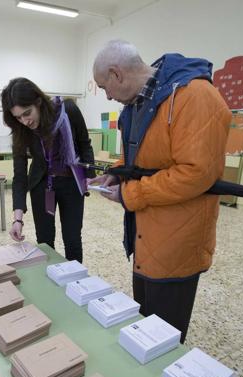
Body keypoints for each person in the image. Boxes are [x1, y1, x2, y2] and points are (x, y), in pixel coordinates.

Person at [89, 40, 231, 343]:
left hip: (178, 240)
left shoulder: (194, 96)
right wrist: (118, 171)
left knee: (165, 336)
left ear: (117, 74)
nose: (107, 95)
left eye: (104, 87)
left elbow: (195, 173)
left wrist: (132, 195)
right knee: (146, 329)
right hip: (146, 234)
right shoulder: (139, 103)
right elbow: (139, 156)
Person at [1, 78, 95, 263]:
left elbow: (84, 145)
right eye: (18, 117)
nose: (25, 121)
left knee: (73, 240)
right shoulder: (21, 131)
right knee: (44, 242)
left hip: (71, 183)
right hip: (42, 186)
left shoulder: (68, 110)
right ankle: (50, 282)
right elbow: (19, 176)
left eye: (27, 113)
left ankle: (75, 284)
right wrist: (17, 219)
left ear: (38, 102)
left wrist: (88, 177)